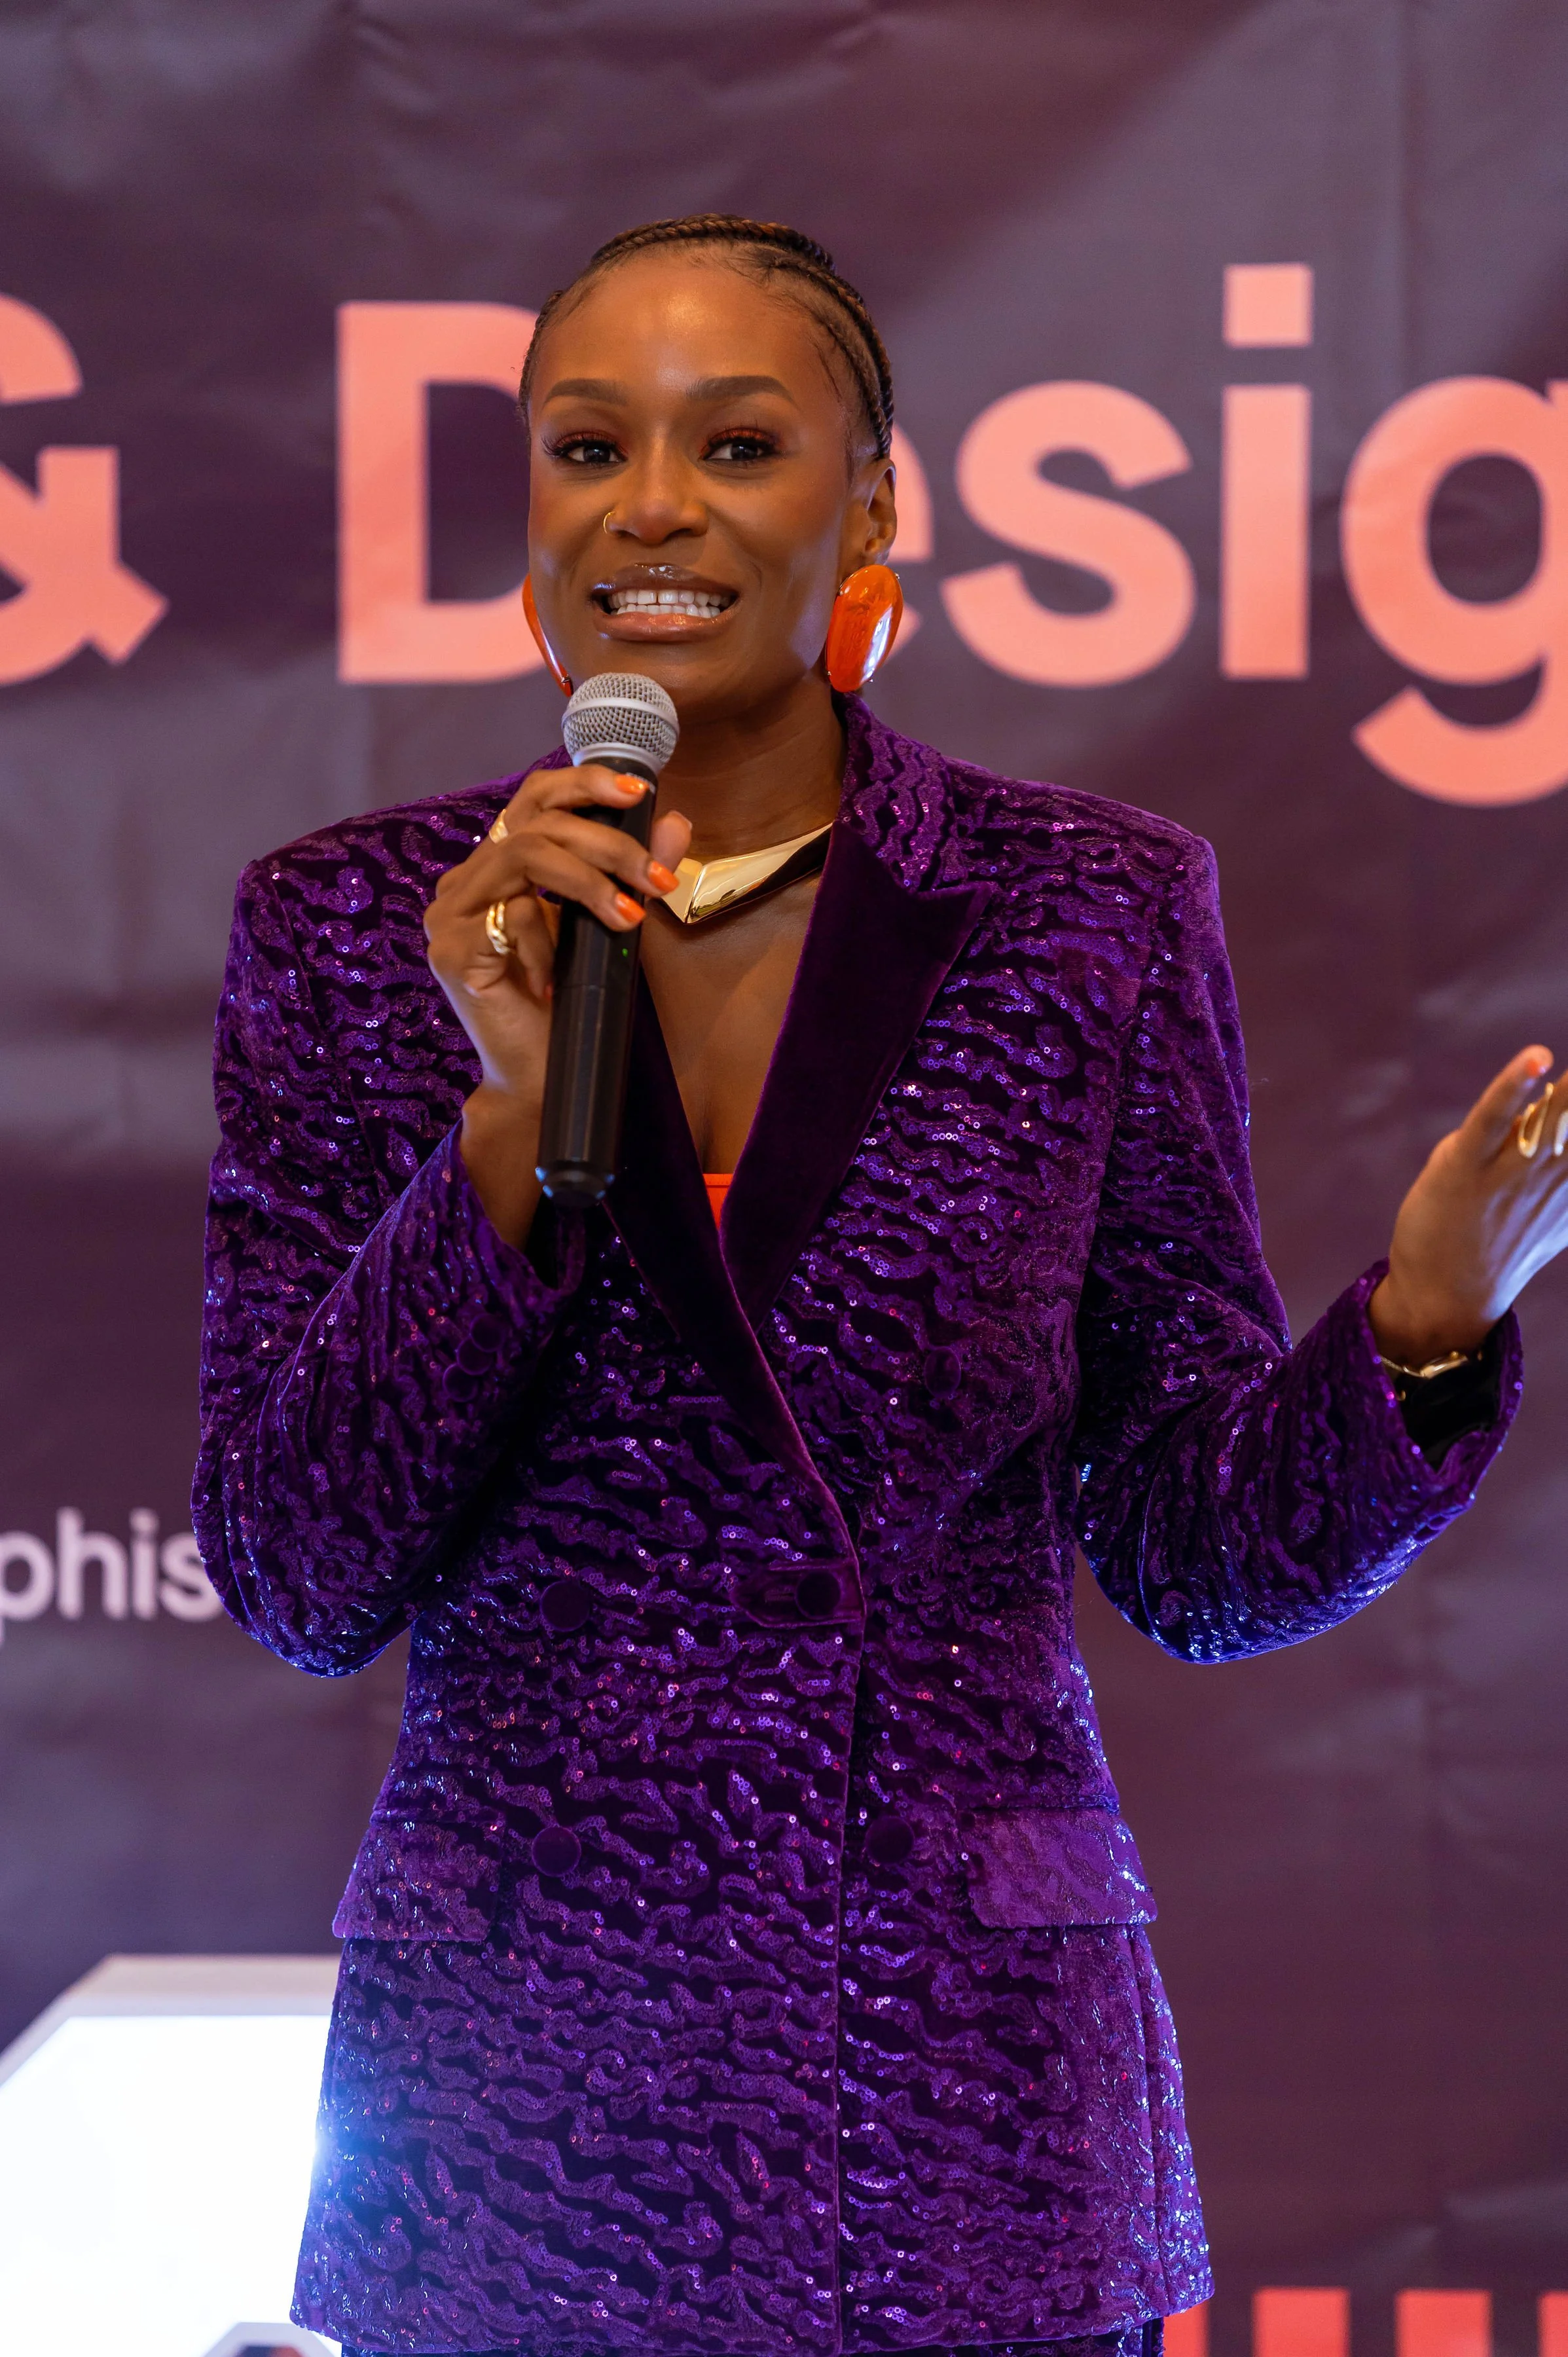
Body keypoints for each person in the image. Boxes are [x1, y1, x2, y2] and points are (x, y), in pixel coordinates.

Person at [193, 216, 1568, 2357]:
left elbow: (1193, 1546)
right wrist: (499, 1136)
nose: (650, 505)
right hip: (525, 2121)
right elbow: (294, 1572)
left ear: (874, 498)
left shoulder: (1089, 911)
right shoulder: (358, 931)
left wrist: (1419, 1327)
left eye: (736, 441)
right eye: (586, 448)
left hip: (959, 2110)